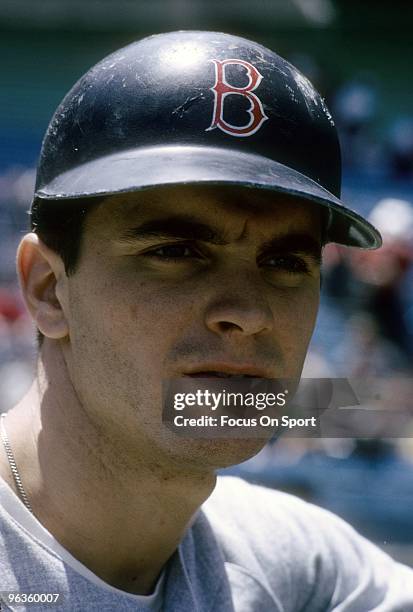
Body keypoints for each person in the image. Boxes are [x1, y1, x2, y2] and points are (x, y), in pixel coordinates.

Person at [0, 30, 412, 611]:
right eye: (176, 252)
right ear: (48, 289)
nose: (246, 314)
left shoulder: (292, 565)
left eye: (286, 262)